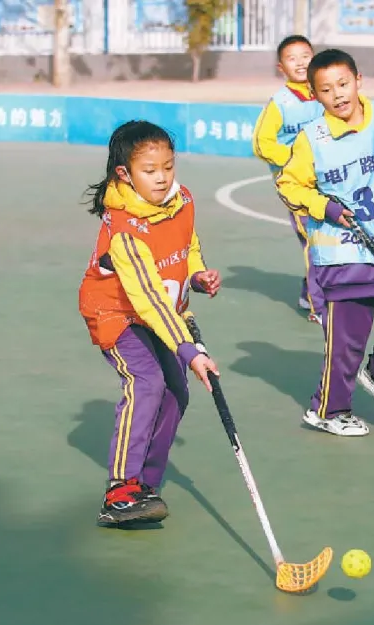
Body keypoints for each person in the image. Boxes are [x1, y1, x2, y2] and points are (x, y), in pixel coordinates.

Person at [78, 120, 221, 527]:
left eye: (168, 167)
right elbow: (151, 301)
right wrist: (190, 350)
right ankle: (120, 490)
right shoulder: (124, 229)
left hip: (158, 311)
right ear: (124, 173)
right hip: (116, 311)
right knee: (147, 382)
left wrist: (197, 274)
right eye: (149, 170)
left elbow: (186, 245)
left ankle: (146, 484)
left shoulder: (182, 200)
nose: (162, 178)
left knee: (177, 390)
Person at [276, 48, 374, 437]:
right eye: (326, 90)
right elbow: (289, 184)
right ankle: (327, 410)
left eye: (343, 84)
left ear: (360, 81)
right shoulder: (313, 138)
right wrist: (322, 206)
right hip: (342, 254)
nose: (338, 94)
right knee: (346, 344)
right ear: (316, 95)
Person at [252, 34, 326, 323]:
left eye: (305, 55)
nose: (299, 62)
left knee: (330, 236)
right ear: (280, 67)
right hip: (296, 184)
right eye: (291, 58)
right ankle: (319, 305)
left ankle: (309, 290)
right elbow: (262, 144)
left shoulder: (325, 92)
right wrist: (296, 161)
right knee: (315, 240)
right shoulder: (280, 103)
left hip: (328, 180)